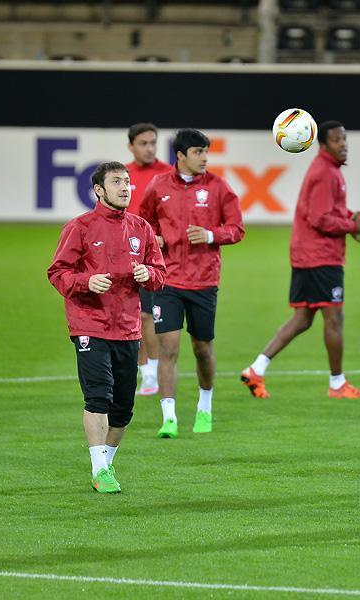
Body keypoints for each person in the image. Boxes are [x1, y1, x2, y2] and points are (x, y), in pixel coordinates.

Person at [48, 161, 165, 493]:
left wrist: (149, 274)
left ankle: (107, 462)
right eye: (116, 182)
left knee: (123, 409)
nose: (125, 187)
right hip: (89, 324)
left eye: (127, 181)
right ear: (99, 190)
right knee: (98, 396)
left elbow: (160, 274)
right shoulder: (80, 227)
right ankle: (99, 469)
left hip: (127, 328)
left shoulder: (141, 228)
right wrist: (86, 281)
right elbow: (57, 272)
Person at [240, 121, 360, 401]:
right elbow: (320, 218)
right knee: (334, 319)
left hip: (307, 253)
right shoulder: (325, 173)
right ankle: (337, 384)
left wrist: (349, 216)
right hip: (320, 256)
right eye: (336, 140)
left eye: (345, 138)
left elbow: (328, 210)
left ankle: (256, 369)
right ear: (323, 144)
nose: (343, 144)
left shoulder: (328, 170)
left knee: (302, 319)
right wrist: (353, 226)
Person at [139, 129, 244, 439]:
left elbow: (237, 229)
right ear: (181, 155)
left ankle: (205, 406)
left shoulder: (219, 187)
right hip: (167, 279)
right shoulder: (158, 186)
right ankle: (169, 418)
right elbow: (145, 224)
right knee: (168, 347)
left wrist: (211, 235)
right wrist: (154, 239)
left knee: (202, 348)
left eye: (206, 152)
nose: (205, 158)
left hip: (203, 281)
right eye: (198, 152)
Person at [126, 123, 174, 396]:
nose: (149, 148)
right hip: (124, 256)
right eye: (143, 143)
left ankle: (150, 374)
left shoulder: (168, 174)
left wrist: (162, 236)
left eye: (153, 142)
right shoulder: (122, 175)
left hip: (154, 259)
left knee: (147, 316)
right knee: (131, 316)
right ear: (131, 146)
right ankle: (143, 371)